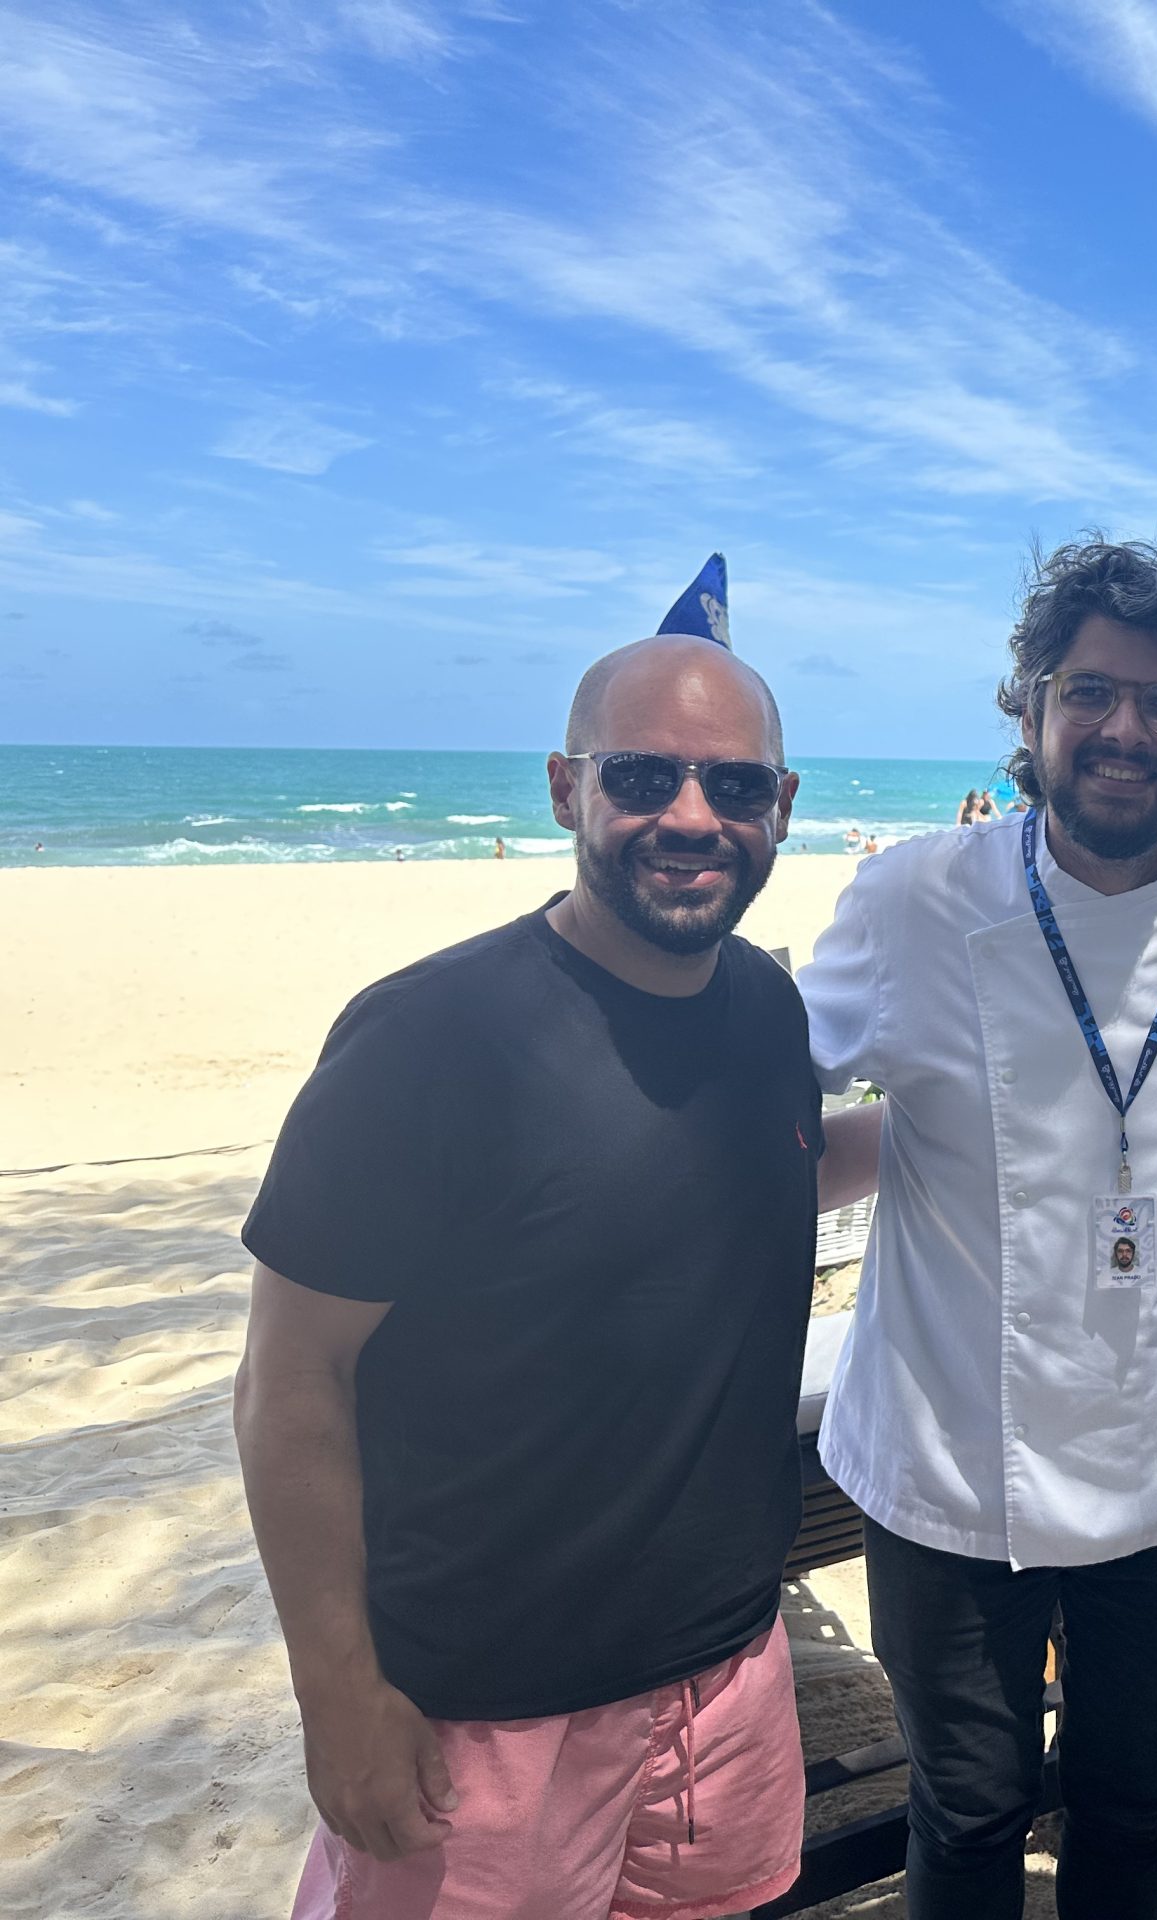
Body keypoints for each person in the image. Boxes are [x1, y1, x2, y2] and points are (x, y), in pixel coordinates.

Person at [233, 630, 822, 1920]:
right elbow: (290, 1381)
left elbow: (757, 1172)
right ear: (566, 789)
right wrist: (339, 1698)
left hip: (729, 1681)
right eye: (641, 776)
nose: (688, 817)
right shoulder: (428, 1041)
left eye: (732, 787)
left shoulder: (770, 1010)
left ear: (781, 807)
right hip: (483, 1722)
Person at [797, 538, 1157, 1920]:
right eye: (1091, 691)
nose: (1127, 729)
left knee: (1139, 1800)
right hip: (959, 1458)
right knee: (968, 1804)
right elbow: (764, 1097)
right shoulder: (914, 898)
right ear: (1032, 712)